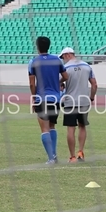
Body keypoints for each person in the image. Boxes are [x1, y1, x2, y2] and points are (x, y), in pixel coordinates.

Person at [28, 36, 69, 164]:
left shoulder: (33, 62)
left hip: (42, 98)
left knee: (44, 129)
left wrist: (34, 98)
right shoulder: (57, 60)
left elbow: (31, 83)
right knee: (52, 126)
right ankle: (54, 155)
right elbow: (66, 76)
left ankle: (51, 158)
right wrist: (57, 82)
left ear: (37, 46)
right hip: (56, 99)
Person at [58, 47, 97, 163]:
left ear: (67, 55)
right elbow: (94, 85)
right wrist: (91, 97)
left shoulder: (65, 68)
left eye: (63, 57)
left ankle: (72, 156)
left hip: (70, 101)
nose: (63, 59)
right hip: (84, 101)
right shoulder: (87, 66)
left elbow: (59, 82)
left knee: (71, 129)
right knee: (82, 126)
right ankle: (81, 152)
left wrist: (62, 86)